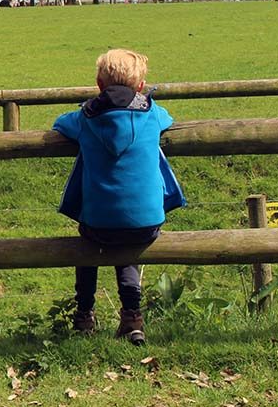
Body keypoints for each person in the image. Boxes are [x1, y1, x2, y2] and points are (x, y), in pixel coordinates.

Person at [53, 49, 185, 345]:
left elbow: (60, 123)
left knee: (88, 243)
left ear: (99, 84)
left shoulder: (85, 118)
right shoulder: (151, 114)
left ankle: (84, 315)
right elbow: (168, 117)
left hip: (98, 224)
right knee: (129, 245)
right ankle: (132, 318)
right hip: (146, 222)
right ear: (140, 86)